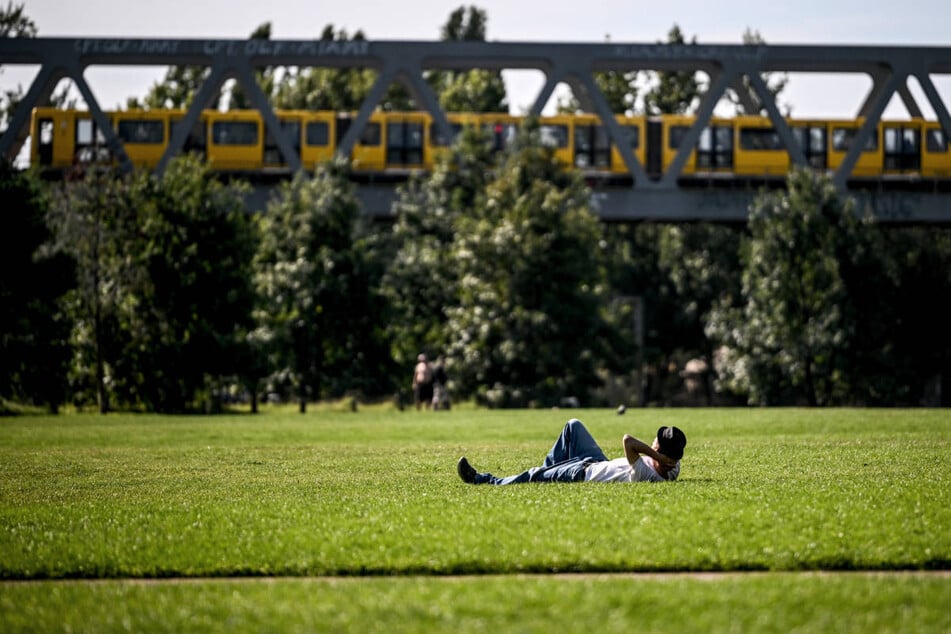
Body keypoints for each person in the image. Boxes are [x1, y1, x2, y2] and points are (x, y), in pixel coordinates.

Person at [456, 418, 685, 485]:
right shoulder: (674, 467)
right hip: (597, 461)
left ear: (660, 453)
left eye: (656, 443)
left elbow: (628, 441)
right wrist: (663, 457)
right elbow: (668, 461)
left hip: (582, 472)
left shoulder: (647, 475)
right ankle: (549, 472)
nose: (653, 440)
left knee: (534, 475)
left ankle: (483, 480)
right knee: (573, 426)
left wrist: (656, 456)